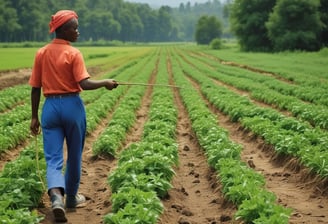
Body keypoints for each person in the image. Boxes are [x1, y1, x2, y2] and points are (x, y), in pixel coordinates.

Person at [29, 10, 118, 222]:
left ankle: (56, 197)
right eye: (74, 28)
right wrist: (105, 82)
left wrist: (34, 117)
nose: (78, 31)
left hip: (50, 107)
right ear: (63, 30)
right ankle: (70, 198)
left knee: (53, 158)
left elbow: (35, 87)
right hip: (72, 106)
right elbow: (85, 84)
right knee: (75, 155)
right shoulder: (74, 53)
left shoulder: (41, 53)